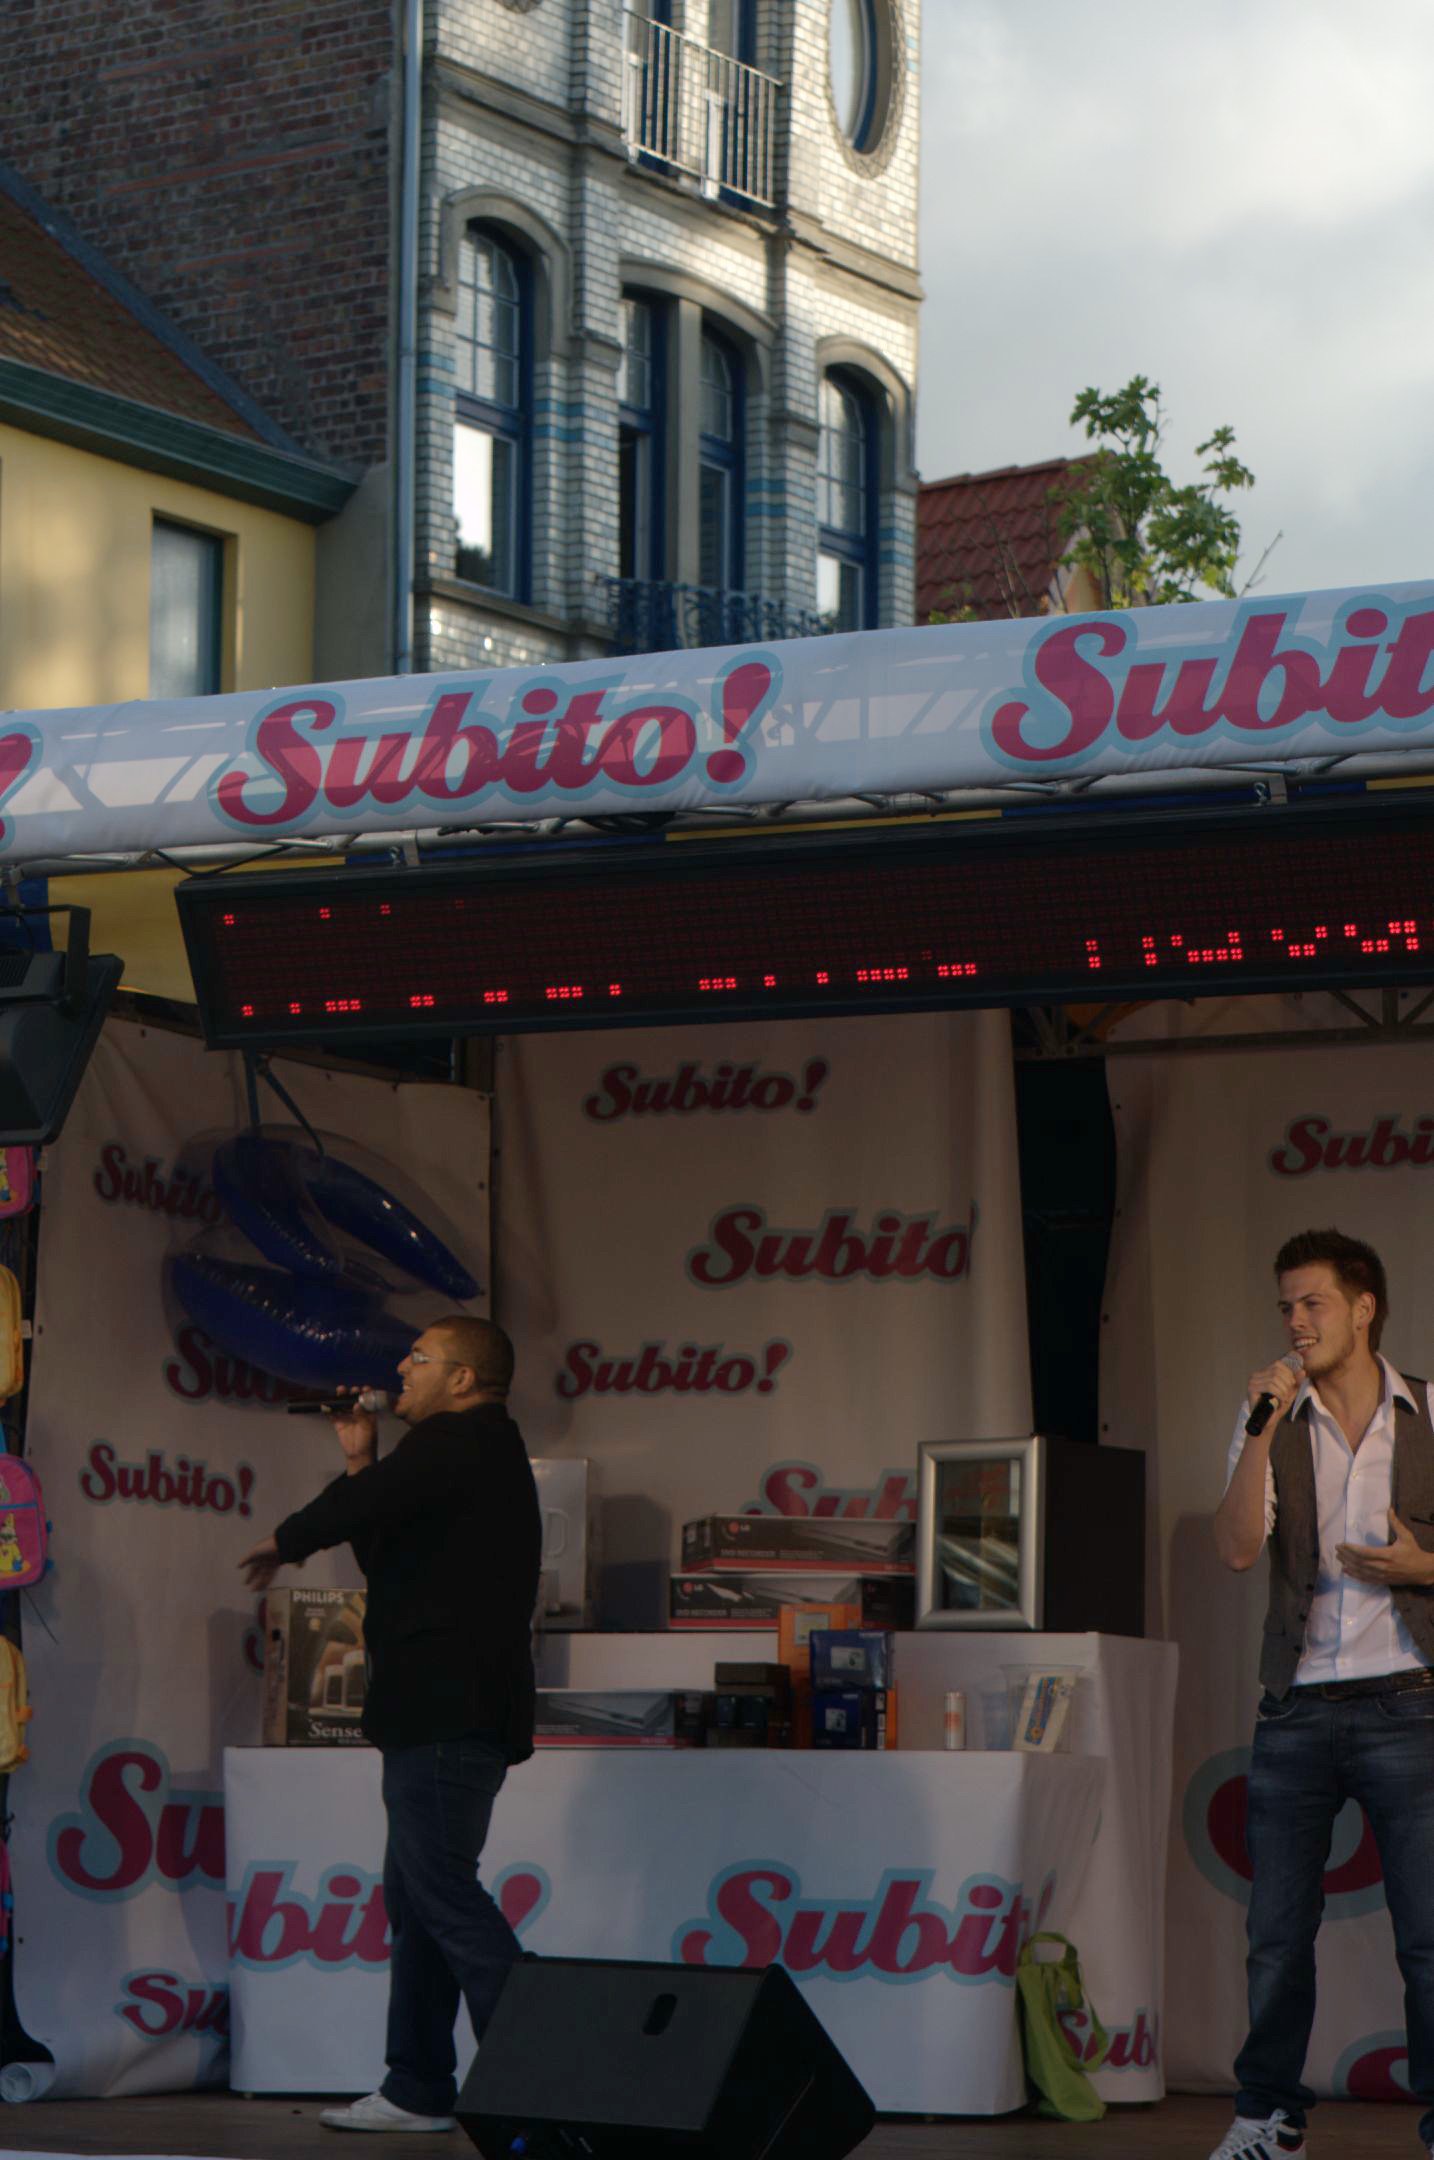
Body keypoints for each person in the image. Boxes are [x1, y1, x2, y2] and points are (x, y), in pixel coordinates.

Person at [240, 1314, 541, 2136]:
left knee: (441, 1894)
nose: (400, 1367)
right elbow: (391, 1553)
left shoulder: (461, 1441)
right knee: (417, 1900)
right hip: (441, 1714)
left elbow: (367, 1509)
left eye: (419, 1357)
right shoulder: (462, 1458)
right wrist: (358, 1455)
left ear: (464, 1380)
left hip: (447, 1714)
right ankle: (416, 2086)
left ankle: (548, 2070)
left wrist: (285, 1539)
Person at [1211, 1228, 1434, 2160]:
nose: (1297, 1324)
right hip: (1297, 1707)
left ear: (1364, 1307)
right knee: (1275, 1937)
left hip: (1410, 1706)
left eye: (1313, 1304)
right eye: (1287, 1308)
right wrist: (1262, 1425)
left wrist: (1425, 1562)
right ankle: (1268, 2121)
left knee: (1429, 1939)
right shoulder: (1271, 1413)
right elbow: (1234, 1547)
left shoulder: (1426, 1410)